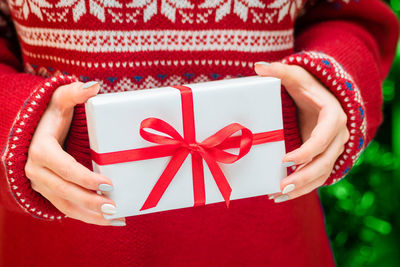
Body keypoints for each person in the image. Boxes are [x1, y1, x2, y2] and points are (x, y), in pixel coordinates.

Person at [0, 0, 398, 266]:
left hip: (271, 232)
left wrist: (331, 80)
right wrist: (14, 121)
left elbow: (347, 12)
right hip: (64, 238)